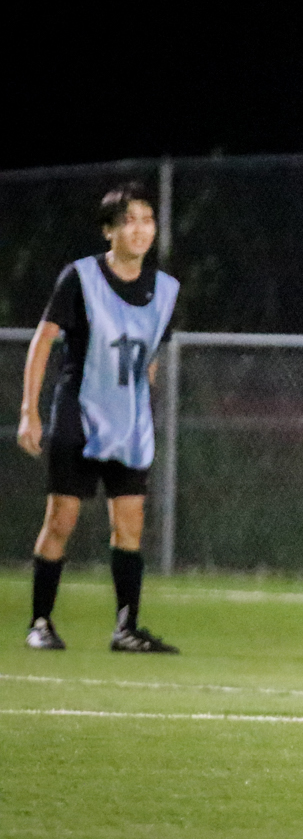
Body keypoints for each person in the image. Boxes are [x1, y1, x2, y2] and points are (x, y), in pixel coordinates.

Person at [15, 183, 182, 653]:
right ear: (109, 231)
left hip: (129, 424)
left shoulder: (164, 290)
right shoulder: (81, 277)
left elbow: (148, 360)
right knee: (61, 519)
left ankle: (126, 628)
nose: (140, 229)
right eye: (128, 220)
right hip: (80, 417)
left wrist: (141, 408)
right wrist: (30, 412)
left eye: (147, 219)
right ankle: (40, 622)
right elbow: (43, 341)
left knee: (130, 525)